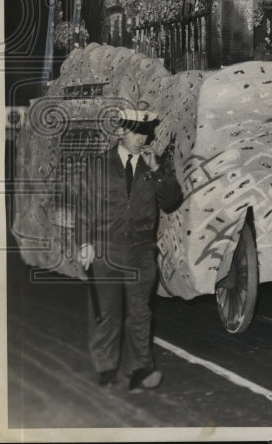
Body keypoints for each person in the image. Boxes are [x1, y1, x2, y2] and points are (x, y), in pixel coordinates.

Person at [75, 109, 183, 391]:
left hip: (140, 251)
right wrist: (84, 241)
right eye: (137, 132)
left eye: (146, 132)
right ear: (121, 132)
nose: (142, 138)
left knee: (140, 312)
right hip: (106, 249)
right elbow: (85, 205)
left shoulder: (153, 166)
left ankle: (141, 368)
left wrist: (158, 171)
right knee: (106, 312)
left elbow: (172, 200)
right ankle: (106, 367)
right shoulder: (98, 165)